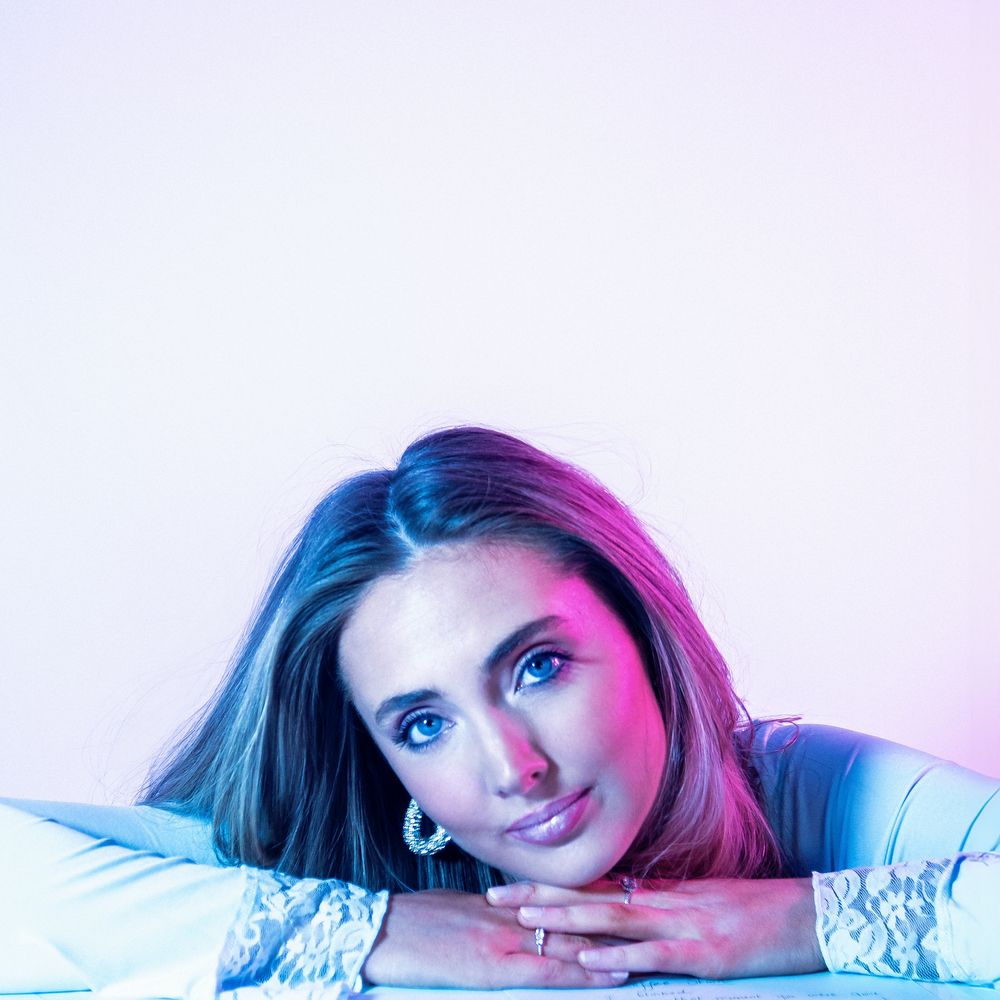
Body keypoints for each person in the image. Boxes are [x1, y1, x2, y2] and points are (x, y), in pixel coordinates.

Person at [2, 426, 997, 997]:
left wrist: (808, 918)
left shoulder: (800, 789)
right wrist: (367, 930)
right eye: (423, 725)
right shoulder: (317, 857)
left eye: (538, 666)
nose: (513, 766)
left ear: (643, 634)